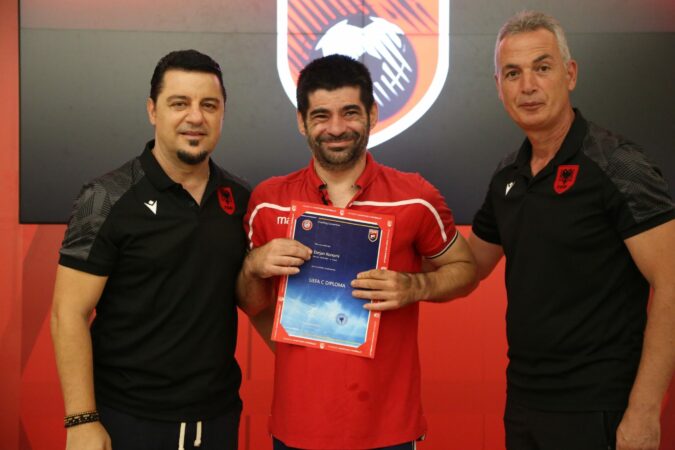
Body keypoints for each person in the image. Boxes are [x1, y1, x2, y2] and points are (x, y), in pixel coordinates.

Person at [236, 54, 477, 450]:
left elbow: (464, 269)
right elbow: (252, 303)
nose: (336, 128)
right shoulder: (268, 201)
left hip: (388, 427)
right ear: (301, 122)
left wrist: (414, 286)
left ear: (372, 114)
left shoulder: (415, 197)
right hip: (298, 424)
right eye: (321, 116)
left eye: (350, 113)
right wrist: (252, 266)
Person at [468, 10, 675, 450]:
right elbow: (469, 266)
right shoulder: (507, 174)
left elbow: (673, 282)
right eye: (513, 73)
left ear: (570, 74)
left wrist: (643, 411)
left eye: (542, 68)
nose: (527, 86)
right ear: (499, 86)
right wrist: (396, 259)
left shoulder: (618, 165)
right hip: (524, 403)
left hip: (600, 408)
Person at [51, 49, 249, 450]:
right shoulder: (102, 198)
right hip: (127, 418)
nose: (195, 117)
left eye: (209, 105)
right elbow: (67, 313)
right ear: (152, 111)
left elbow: (254, 300)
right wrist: (81, 420)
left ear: (222, 114)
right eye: (179, 103)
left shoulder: (242, 199)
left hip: (218, 417)